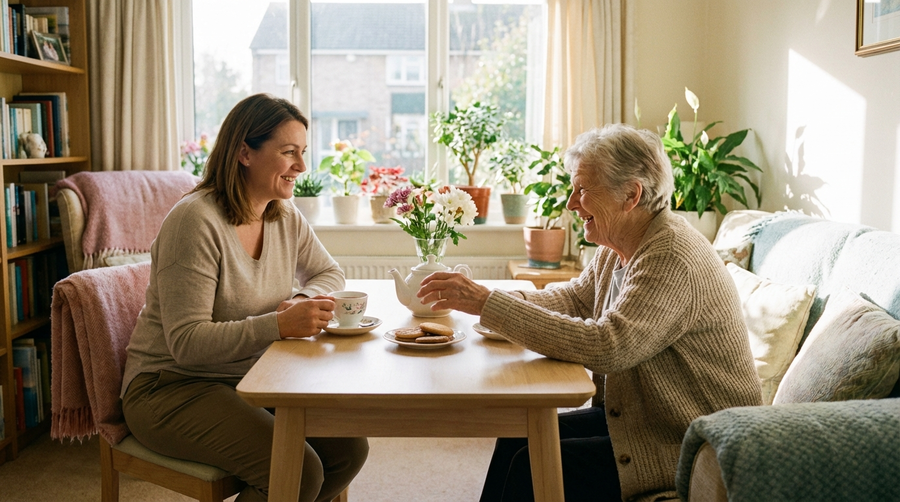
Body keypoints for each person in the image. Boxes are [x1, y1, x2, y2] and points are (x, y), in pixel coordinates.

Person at [417, 123, 762, 502]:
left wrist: (487, 304)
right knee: (516, 436)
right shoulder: (620, 244)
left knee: (530, 467)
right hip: (640, 420)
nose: (570, 202)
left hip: (690, 444)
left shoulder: (671, 255)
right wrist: (487, 300)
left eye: (582, 189)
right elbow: (575, 300)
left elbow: (609, 345)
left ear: (631, 194)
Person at [121, 93, 368, 502]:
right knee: (299, 472)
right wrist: (277, 325)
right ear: (244, 153)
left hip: (251, 379)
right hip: (171, 388)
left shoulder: (282, 213)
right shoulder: (195, 222)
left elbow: (329, 272)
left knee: (348, 450)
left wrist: (301, 298)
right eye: (289, 152)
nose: (302, 167)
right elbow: (186, 344)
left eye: (303, 152)